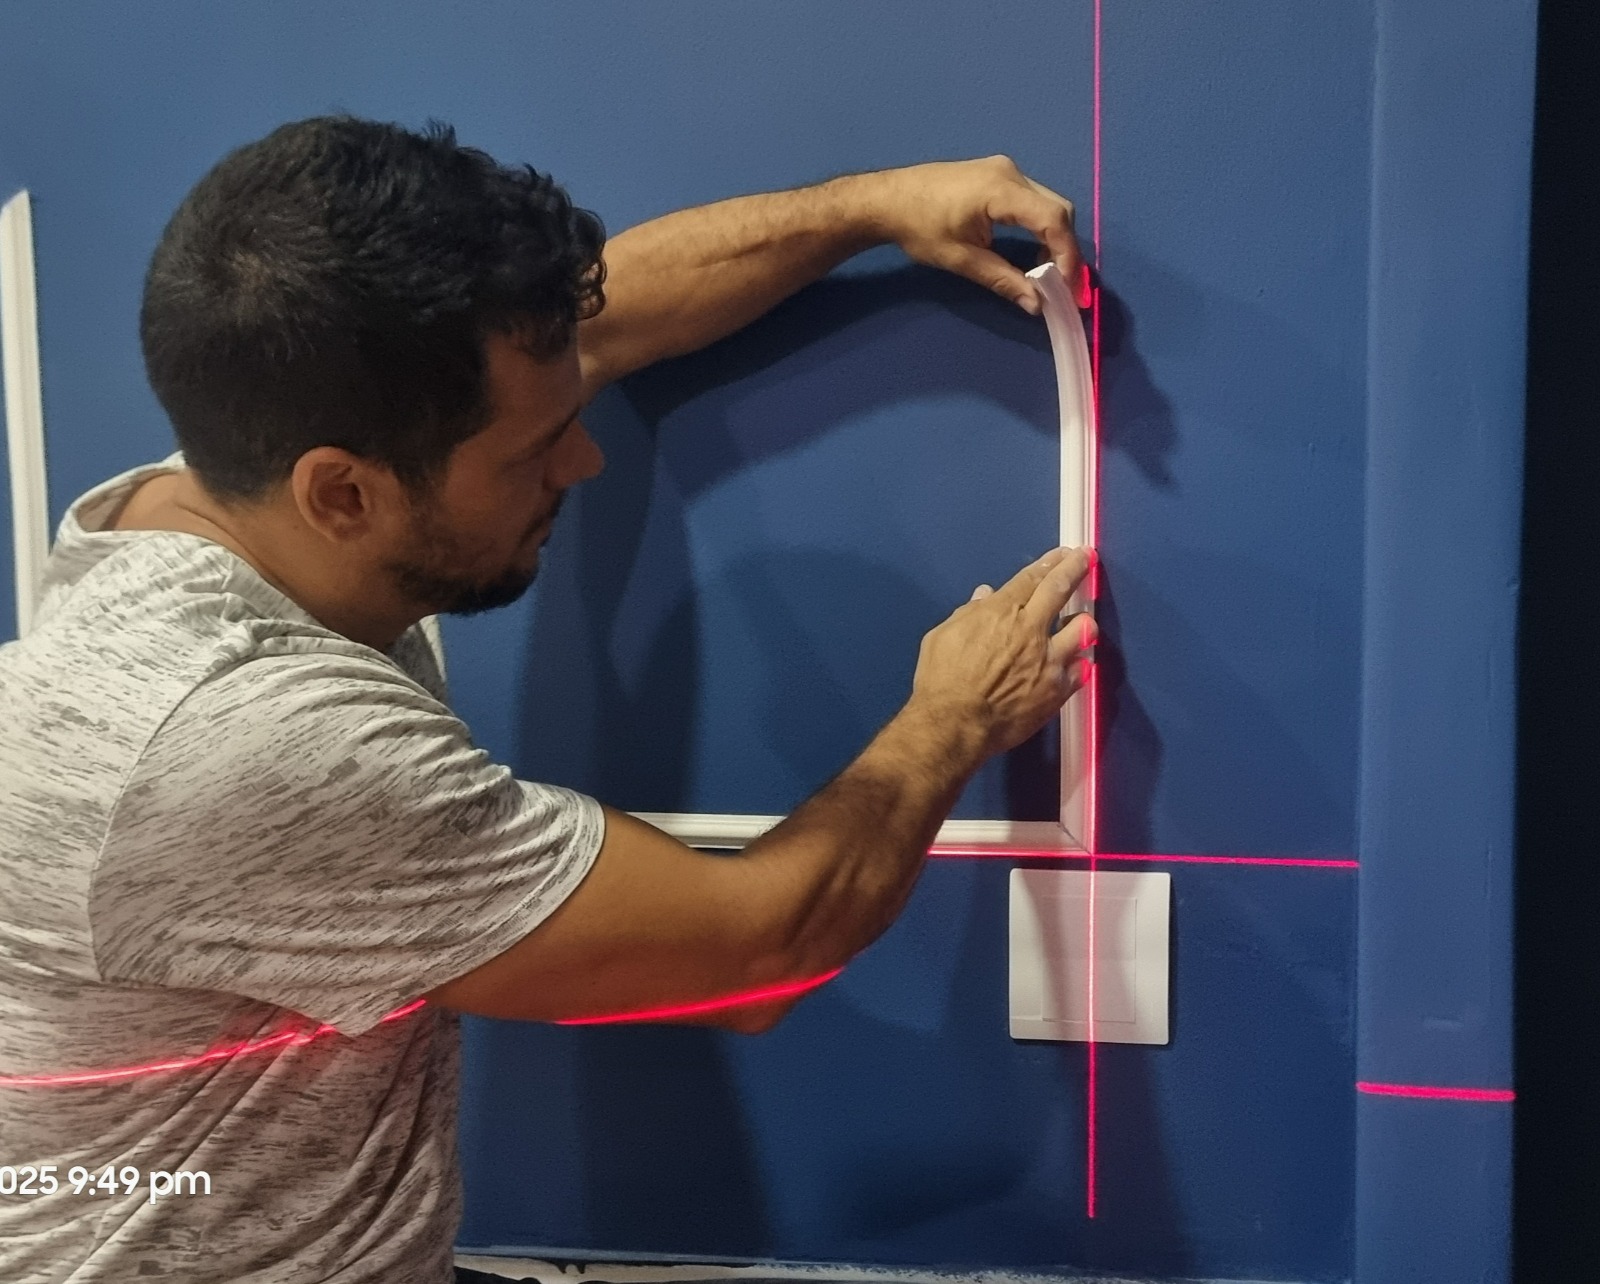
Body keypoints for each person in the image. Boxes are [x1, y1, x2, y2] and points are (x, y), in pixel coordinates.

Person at [0, 116, 1096, 1283]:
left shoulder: (225, 490)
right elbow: (757, 953)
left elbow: (599, 325)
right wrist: (952, 719)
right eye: (534, 451)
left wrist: (872, 207)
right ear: (344, 496)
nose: (583, 461)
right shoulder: (246, 739)